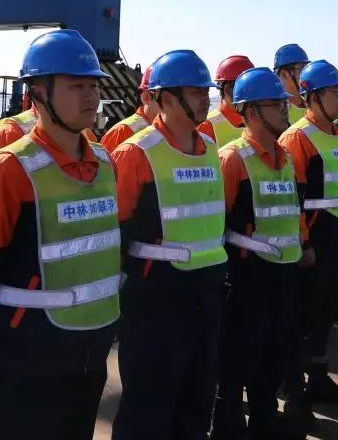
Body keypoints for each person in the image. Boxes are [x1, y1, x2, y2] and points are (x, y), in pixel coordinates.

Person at [0, 29, 120, 440]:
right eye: (76, 86)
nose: (91, 97)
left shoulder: (104, 162)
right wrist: (3, 334)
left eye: (94, 86)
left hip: (90, 350)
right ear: (38, 93)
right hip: (28, 356)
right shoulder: (7, 170)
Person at [110, 50, 227, 440]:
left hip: (206, 295)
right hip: (156, 299)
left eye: (205, 92)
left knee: (197, 401)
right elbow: (116, 234)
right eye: (195, 92)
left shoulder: (209, 147)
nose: (204, 100)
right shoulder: (135, 153)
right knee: (148, 408)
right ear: (165, 98)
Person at [213, 68, 310, 440]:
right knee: (237, 363)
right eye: (276, 105)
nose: (285, 111)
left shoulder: (284, 156)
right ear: (251, 112)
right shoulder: (232, 159)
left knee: (271, 361)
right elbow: (218, 225)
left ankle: (264, 427)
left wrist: (303, 243)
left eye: (284, 105)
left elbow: (293, 209)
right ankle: (227, 429)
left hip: (283, 275)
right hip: (246, 280)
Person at [278, 60, 338, 422]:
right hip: (315, 242)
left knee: (324, 316)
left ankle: (317, 379)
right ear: (312, 97)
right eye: (334, 92)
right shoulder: (297, 138)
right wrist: (304, 243)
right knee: (302, 320)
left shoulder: (337, 134)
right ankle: (293, 393)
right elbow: (292, 200)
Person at [100, 65, 161, 152]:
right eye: (166, 98)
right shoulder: (121, 133)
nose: (174, 104)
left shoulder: (176, 131)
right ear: (146, 97)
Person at [199, 55, 254, 146]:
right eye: (234, 87)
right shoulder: (207, 126)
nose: (241, 93)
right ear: (221, 88)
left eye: (248, 87)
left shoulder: (263, 120)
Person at [273, 44, 311, 125]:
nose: (307, 75)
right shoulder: (274, 116)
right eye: (302, 70)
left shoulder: (320, 107)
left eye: (307, 69)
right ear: (284, 75)